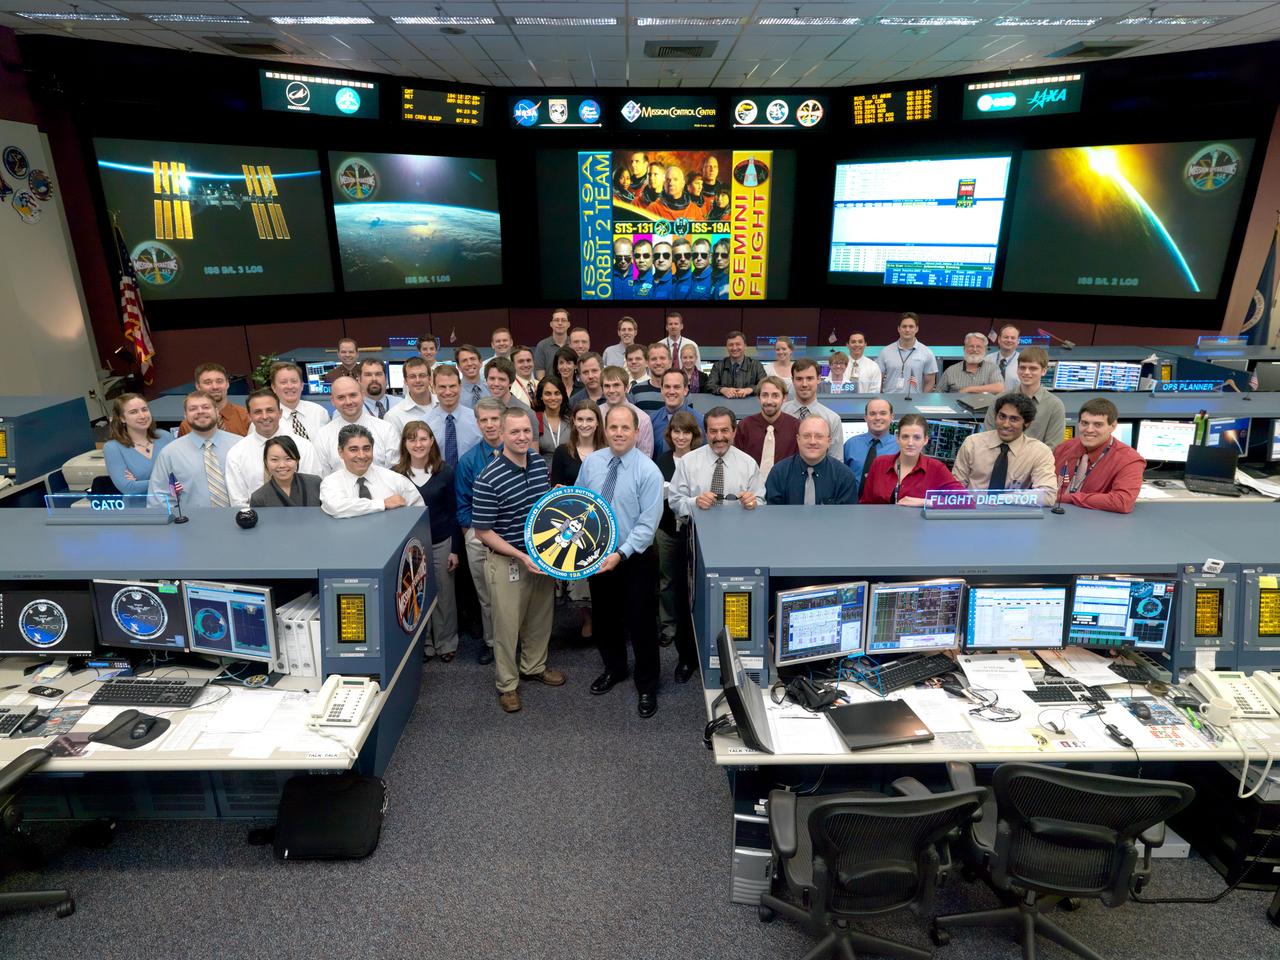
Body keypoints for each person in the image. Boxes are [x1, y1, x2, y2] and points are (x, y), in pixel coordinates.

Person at [472, 408, 565, 714]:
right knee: (507, 627)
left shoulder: (538, 463)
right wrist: (520, 556)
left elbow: (538, 506)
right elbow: (483, 531)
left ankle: (534, 666)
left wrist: (554, 495)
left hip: (541, 558)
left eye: (527, 431)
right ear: (502, 434)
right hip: (508, 560)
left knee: (540, 617)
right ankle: (507, 685)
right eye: (515, 432)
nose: (522, 437)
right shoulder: (489, 478)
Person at [580, 406, 665, 717]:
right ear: (605, 429)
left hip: (635, 558)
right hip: (597, 556)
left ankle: (647, 685)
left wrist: (621, 554)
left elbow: (647, 524)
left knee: (641, 622)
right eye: (613, 427)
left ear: (636, 431)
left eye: (624, 428)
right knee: (604, 618)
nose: (618, 433)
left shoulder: (648, 471)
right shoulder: (592, 463)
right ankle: (614, 670)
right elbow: (581, 502)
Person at [394, 420, 462, 661]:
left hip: (441, 541)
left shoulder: (445, 471)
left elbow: (454, 512)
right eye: (412, 439)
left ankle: (446, 642)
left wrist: (455, 550)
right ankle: (424, 644)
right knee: (416, 596)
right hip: (410, 548)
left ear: (432, 441)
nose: (418, 444)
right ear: (404, 444)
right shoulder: (395, 474)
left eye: (423, 438)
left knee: (444, 594)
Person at [456, 398, 505, 665]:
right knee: (486, 595)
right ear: (477, 423)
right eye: (484, 420)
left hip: (511, 536)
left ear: (503, 419)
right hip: (479, 536)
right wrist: (472, 534)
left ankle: (515, 641)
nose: (489, 425)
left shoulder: (518, 452)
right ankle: (491, 642)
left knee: (513, 594)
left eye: (494, 419)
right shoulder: (468, 461)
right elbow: (462, 504)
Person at [654, 410, 702, 680]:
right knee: (667, 580)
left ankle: (692, 628)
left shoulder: (699, 461)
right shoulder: (662, 460)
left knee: (692, 583)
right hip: (666, 529)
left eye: (686, 432)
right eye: (676, 431)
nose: (681, 436)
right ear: (670, 434)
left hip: (693, 532)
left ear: (693, 435)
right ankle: (669, 626)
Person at [954, 393, 1058, 504]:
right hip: (972, 511)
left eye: (1014, 419)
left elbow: (1048, 495)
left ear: (1027, 423)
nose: (1005, 424)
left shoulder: (1039, 452)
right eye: (1002, 417)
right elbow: (953, 488)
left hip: (1013, 515)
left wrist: (1000, 499)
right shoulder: (972, 443)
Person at [225, 388, 321, 507]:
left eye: (270, 410)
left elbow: (313, 491)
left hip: (303, 518)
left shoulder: (303, 446)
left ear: (280, 413)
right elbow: (238, 501)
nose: (264, 416)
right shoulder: (236, 453)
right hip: (258, 521)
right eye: (258, 412)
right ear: (249, 415)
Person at [149, 390, 240, 508]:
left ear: (217, 412)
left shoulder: (239, 445)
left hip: (241, 521)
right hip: (192, 524)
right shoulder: (170, 453)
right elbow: (159, 499)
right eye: (193, 409)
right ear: (185, 416)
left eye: (206, 407)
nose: (200, 411)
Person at [1053, 398, 1145, 514]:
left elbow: (1122, 502)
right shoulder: (1064, 448)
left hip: (1096, 525)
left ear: (1113, 426)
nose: (1089, 430)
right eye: (1085, 423)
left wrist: (1066, 497)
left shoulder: (1129, 460)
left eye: (1098, 424)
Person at [670, 407, 764, 516]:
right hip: (697, 529)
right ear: (706, 433)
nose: (719, 437)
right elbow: (674, 502)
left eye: (724, 430)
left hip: (738, 529)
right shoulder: (687, 462)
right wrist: (695, 502)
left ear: (734, 432)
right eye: (713, 431)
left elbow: (761, 501)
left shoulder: (749, 464)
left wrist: (753, 503)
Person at [321, 424, 424, 519]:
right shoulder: (331, 483)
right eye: (353, 449)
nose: (361, 455)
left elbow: (419, 513)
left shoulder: (396, 480)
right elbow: (335, 507)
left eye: (366, 449)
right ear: (340, 451)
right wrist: (383, 504)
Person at [860, 414, 963, 506]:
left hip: (918, 526)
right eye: (905, 437)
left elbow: (965, 501)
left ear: (925, 440)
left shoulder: (936, 468)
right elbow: (866, 503)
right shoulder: (879, 463)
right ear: (897, 438)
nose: (910, 443)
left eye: (917, 438)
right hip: (879, 524)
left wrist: (925, 502)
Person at [982, 346, 1066, 448]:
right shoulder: (999, 400)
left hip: (1036, 462)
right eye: (1022, 367)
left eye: (1033, 368)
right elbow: (988, 436)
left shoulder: (1055, 406)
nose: (1026, 372)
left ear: (1044, 371)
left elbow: (1053, 446)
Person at [314, 376, 399, 475]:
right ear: (333, 401)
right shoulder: (323, 436)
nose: (348, 402)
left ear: (363, 396)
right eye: (341, 397)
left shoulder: (386, 429)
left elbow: (394, 473)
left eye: (353, 395)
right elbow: (323, 476)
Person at [765, 416, 859, 505]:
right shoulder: (778, 473)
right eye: (806, 436)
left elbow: (846, 518)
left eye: (819, 436)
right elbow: (773, 516)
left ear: (828, 442)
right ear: (798, 439)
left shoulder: (844, 476)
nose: (812, 442)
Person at [102, 393, 174, 495]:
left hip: (173, 505)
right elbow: (128, 488)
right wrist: (168, 482)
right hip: (140, 508)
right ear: (122, 418)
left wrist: (140, 483)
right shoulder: (112, 448)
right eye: (133, 412)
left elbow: (184, 473)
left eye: (144, 409)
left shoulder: (165, 437)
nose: (142, 416)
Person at [734, 376, 799, 476]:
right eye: (764, 395)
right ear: (758, 397)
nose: (769, 401)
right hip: (750, 487)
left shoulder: (796, 427)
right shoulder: (745, 426)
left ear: (784, 398)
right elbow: (737, 461)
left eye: (775, 395)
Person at [422, 364, 480, 469]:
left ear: (460, 386)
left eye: (452, 386)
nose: (448, 392)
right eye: (442, 387)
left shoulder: (477, 420)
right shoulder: (424, 424)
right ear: (434, 388)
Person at [782, 358, 842, 457]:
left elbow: (836, 460)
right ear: (792, 380)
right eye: (799, 379)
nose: (804, 384)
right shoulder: (780, 413)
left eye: (809, 378)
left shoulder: (832, 419)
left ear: (819, 379)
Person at [843, 398, 899, 501]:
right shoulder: (851, 445)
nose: (877, 418)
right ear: (865, 417)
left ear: (892, 417)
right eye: (872, 414)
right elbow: (840, 477)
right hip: (852, 505)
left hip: (887, 508)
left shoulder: (900, 447)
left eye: (883, 413)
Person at [177, 362, 249, 436]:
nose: (215, 387)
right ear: (198, 386)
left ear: (227, 384)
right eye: (208, 382)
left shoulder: (246, 417)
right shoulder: (188, 424)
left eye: (219, 381)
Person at [249, 435, 322, 508]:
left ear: (297, 459)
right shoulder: (259, 498)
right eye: (274, 459)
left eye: (288, 458)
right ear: (266, 462)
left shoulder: (315, 483)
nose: (282, 465)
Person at [876, 313, 938, 393]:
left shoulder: (927, 353)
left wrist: (922, 400)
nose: (907, 330)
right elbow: (878, 379)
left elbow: (930, 382)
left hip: (915, 401)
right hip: (889, 401)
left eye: (911, 326)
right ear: (899, 329)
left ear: (917, 329)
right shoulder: (885, 352)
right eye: (904, 326)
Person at [269, 361, 329, 441]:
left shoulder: (319, 412)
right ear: (274, 387)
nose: (290, 386)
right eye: (283, 382)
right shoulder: (267, 419)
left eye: (294, 381)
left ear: (302, 385)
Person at [601, 365, 653, 456]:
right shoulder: (595, 414)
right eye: (607, 386)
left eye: (616, 385)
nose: (611, 390)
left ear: (627, 388)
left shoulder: (643, 418)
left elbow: (646, 455)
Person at [651, 369, 704, 457]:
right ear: (661, 390)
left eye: (676, 387)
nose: (671, 392)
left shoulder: (699, 421)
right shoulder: (652, 420)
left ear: (685, 390)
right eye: (667, 387)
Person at [551, 400, 605, 487]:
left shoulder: (607, 451)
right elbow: (555, 490)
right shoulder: (561, 452)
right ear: (574, 421)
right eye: (580, 419)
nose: (584, 424)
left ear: (598, 422)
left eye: (589, 420)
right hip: (570, 500)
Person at [485, 356, 540, 439]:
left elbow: (533, 449)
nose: (496, 383)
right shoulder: (482, 410)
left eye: (502, 379)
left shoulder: (527, 413)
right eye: (492, 378)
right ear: (486, 380)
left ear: (511, 382)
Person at [938, 332, 1004, 394]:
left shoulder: (992, 368)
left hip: (985, 406)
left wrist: (969, 389)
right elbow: (938, 394)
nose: (975, 349)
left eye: (979, 346)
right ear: (964, 349)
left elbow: (999, 387)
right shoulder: (951, 371)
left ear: (985, 350)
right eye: (971, 346)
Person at [706, 331, 766, 398]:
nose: (734, 348)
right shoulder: (718, 366)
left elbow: (765, 385)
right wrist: (723, 390)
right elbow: (710, 385)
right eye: (731, 345)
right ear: (727, 347)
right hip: (724, 405)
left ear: (745, 346)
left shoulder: (756, 365)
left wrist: (750, 389)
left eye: (738, 344)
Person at [385, 357, 437, 434]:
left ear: (430, 379)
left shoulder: (443, 405)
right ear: (405, 381)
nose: (418, 380)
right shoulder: (393, 416)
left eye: (422, 375)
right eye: (412, 376)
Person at [533, 377, 570, 456]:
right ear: (541, 396)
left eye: (557, 393)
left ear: (563, 395)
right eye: (548, 394)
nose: (553, 398)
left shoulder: (572, 420)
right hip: (544, 466)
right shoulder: (535, 419)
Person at [629, 342, 670, 413]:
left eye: (662, 358)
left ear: (670, 362)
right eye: (654, 359)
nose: (658, 363)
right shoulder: (636, 390)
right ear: (647, 363)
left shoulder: (679, 391)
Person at [534, 307, 571, 379]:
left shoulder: (573, 344)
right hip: (550, 388)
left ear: (568, 324)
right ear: (551, 324)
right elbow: (540, 375)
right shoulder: (542, 346)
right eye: (556, 320)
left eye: (563, 320)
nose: (560, 323)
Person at [455, 344, 490, 409]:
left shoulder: (491, 388)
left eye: (473, 359)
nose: (469, 363)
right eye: (464, 361)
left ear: (480, 362)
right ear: (459, 366)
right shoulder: (454, 392)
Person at [994, 323, 1021, 391]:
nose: (1009, 340)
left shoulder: (1023, 360)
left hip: (1015, 400)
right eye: (1006, 337)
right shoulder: (987, 359)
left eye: (1013, 338)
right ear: (999, 339)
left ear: (1018, 341)